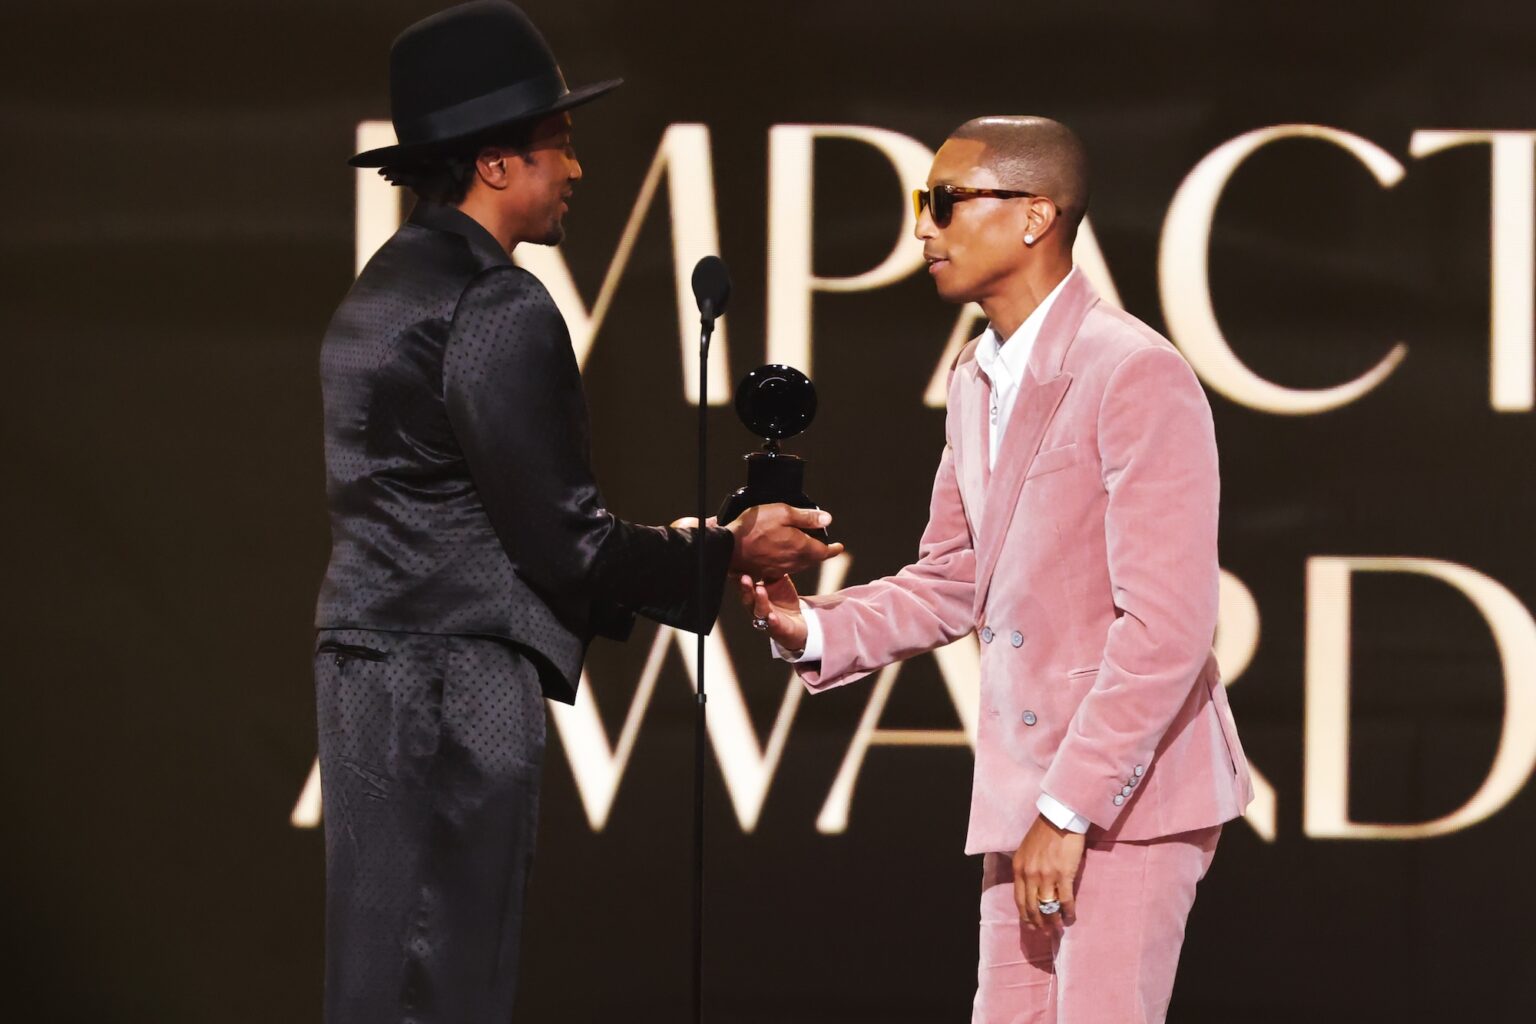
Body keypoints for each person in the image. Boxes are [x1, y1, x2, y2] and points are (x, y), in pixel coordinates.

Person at [313, 3, 840, 1021]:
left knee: (385, 982)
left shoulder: (384, 287)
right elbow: (566, 541)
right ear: (495, 163)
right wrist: (727, 548)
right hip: (451, 686)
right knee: (444, 981)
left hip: (373, 677)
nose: (579, 168)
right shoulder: (494, 303)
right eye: (560, 144)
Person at [742, 115, 1253, 1024]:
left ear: (1033, 216)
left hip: (1123, 799)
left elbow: (1168, 628)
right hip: (1028, 799)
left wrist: (1070, 809)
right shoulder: (977, 374)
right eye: (922, 202)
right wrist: (810, 625)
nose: (922, 228)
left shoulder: (1134, 372)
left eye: (944, 201)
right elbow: (955, 574)